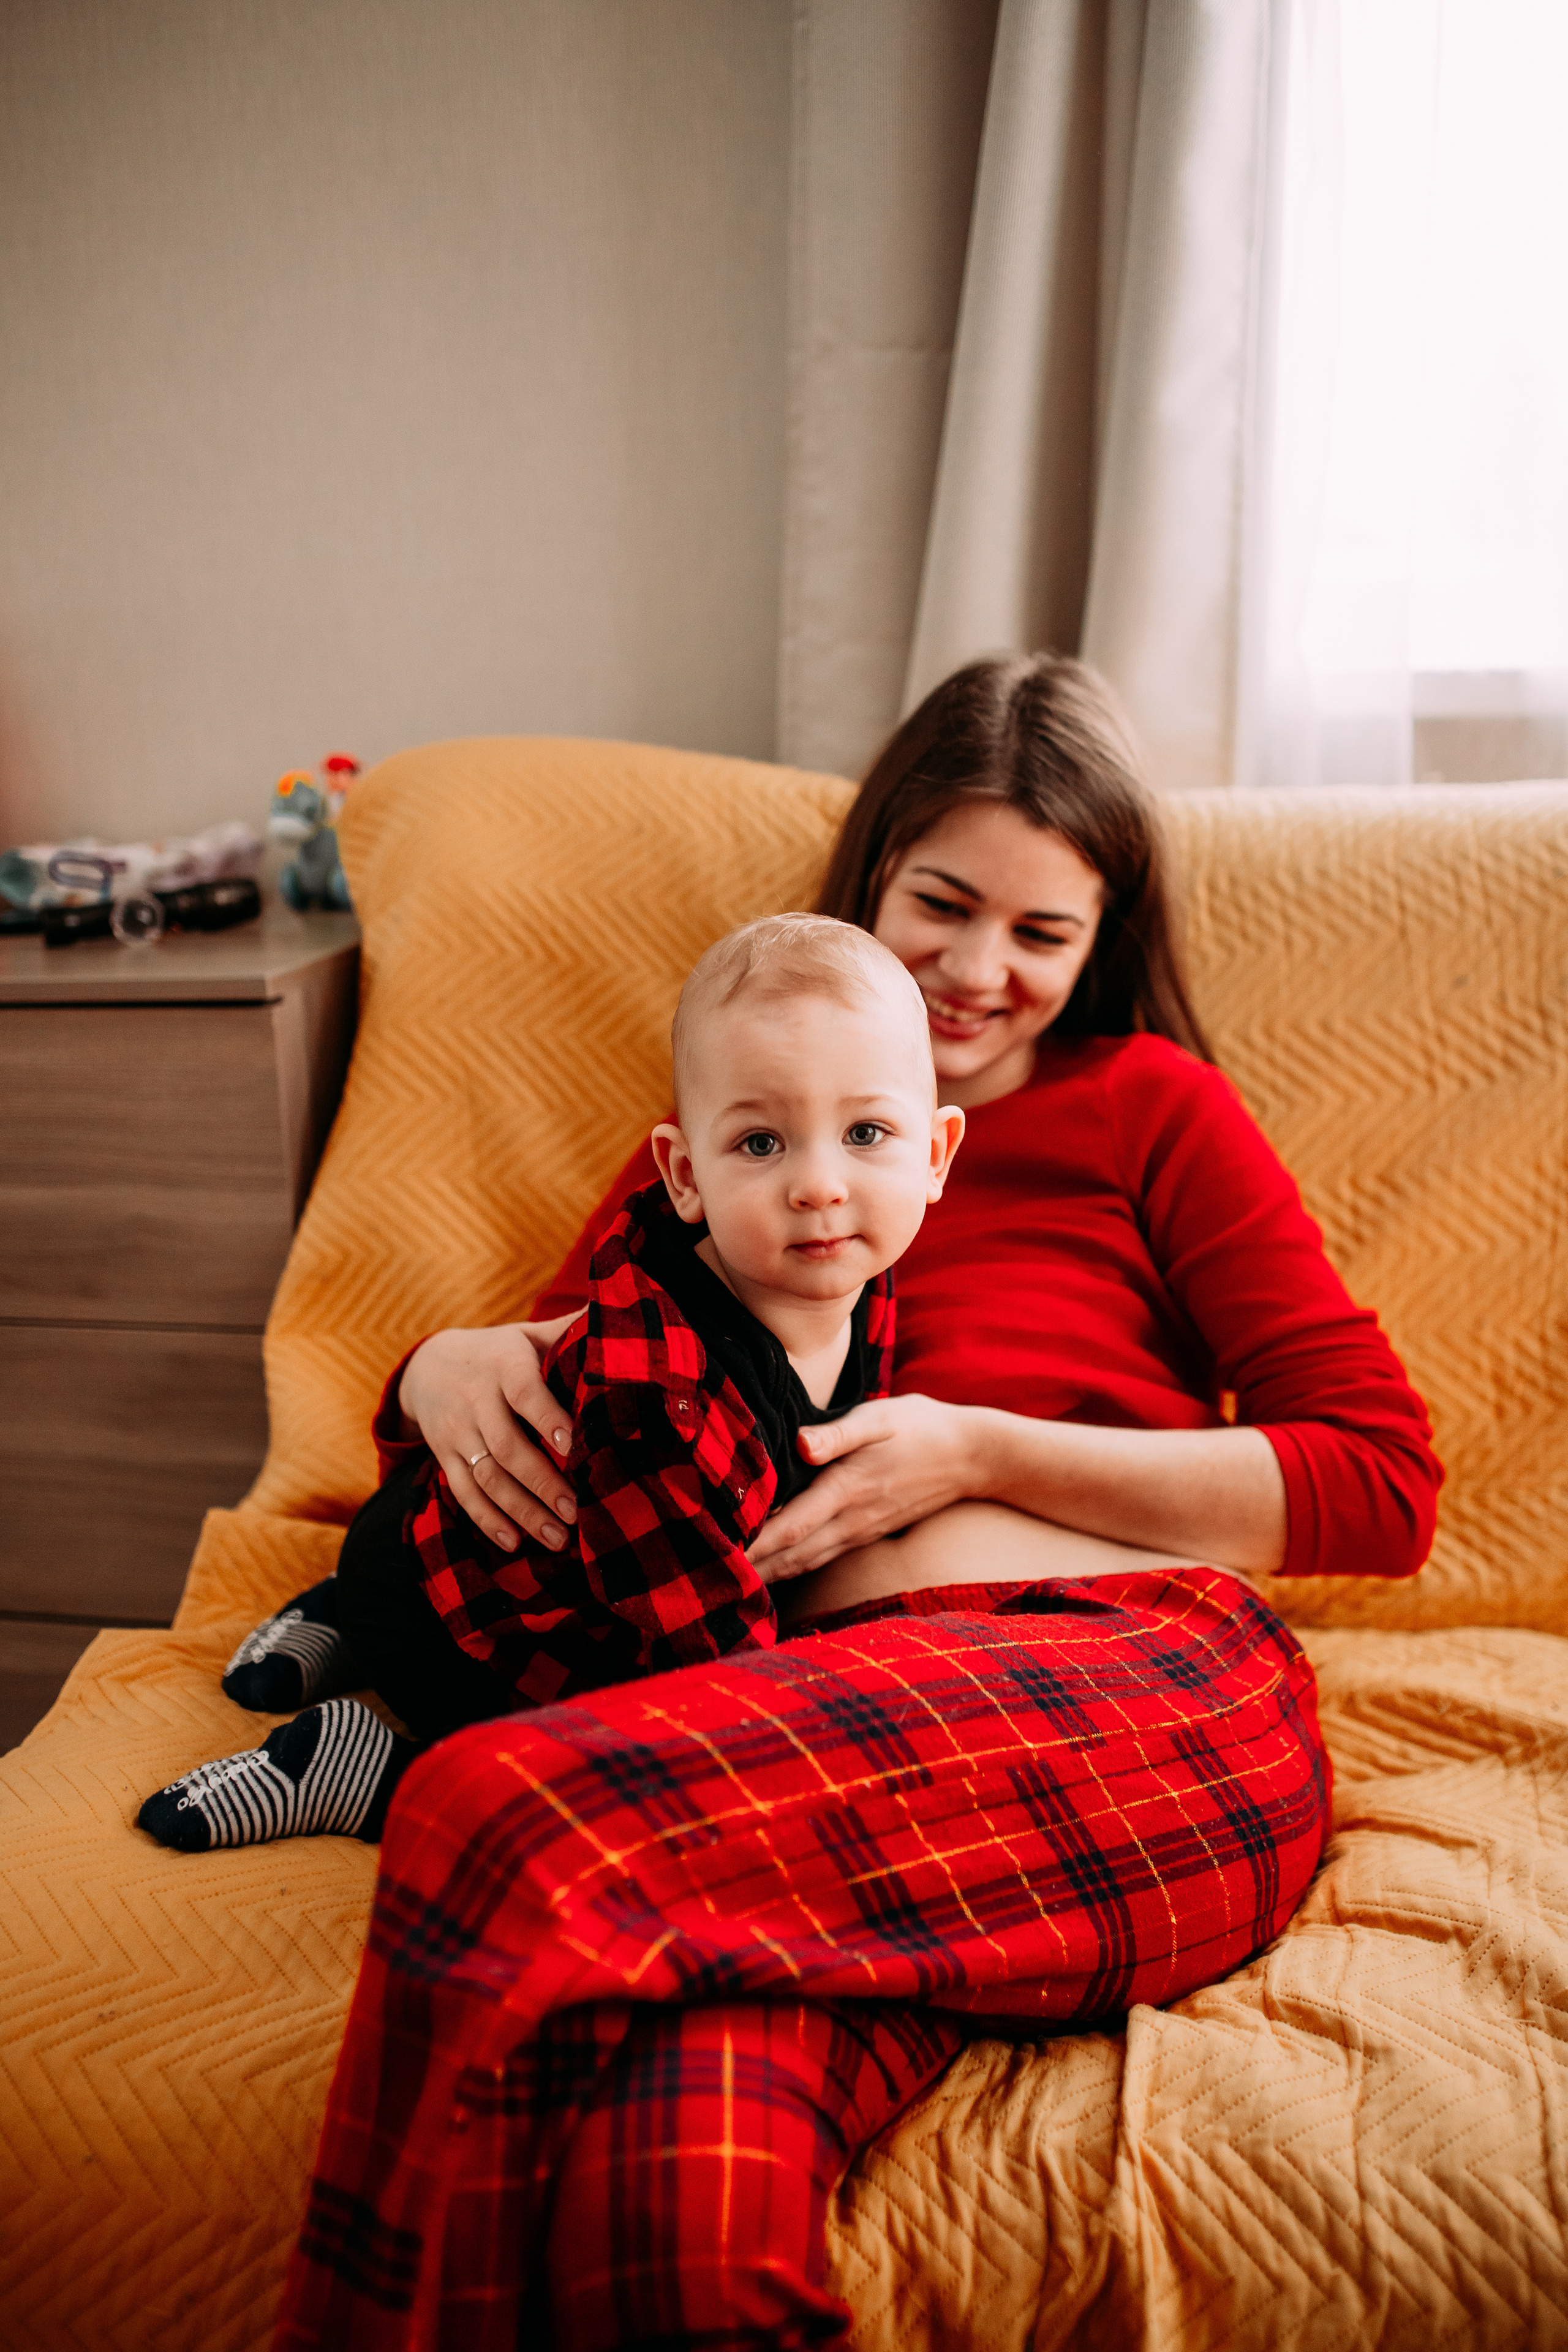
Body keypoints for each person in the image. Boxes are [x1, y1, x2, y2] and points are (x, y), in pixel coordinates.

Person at [274, 654, 1441, 2352]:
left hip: (1139, 1703)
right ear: (871, 872)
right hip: (790, 1770)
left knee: (483, 1812)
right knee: (658, 2213)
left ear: (1101, 939)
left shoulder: (1146, 1110)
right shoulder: (743, 1139)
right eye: (942, 906)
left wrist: (980, 1451)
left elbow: (1382, 1483)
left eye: (1042, 935)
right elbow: (558, 1418)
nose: (979, 974)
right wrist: (434, 1372)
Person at [136, 916, 963, 1854]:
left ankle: (335, 1617)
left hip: (576, 1582)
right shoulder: (662, 1394)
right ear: (686, 1177)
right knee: (600, 1792)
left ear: (933, 1156)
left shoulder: (854, 1272)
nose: (820, 1185)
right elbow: (715, 1668)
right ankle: (361, 1756)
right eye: (762, 1145)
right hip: (460, 1619)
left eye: (865, 1132)